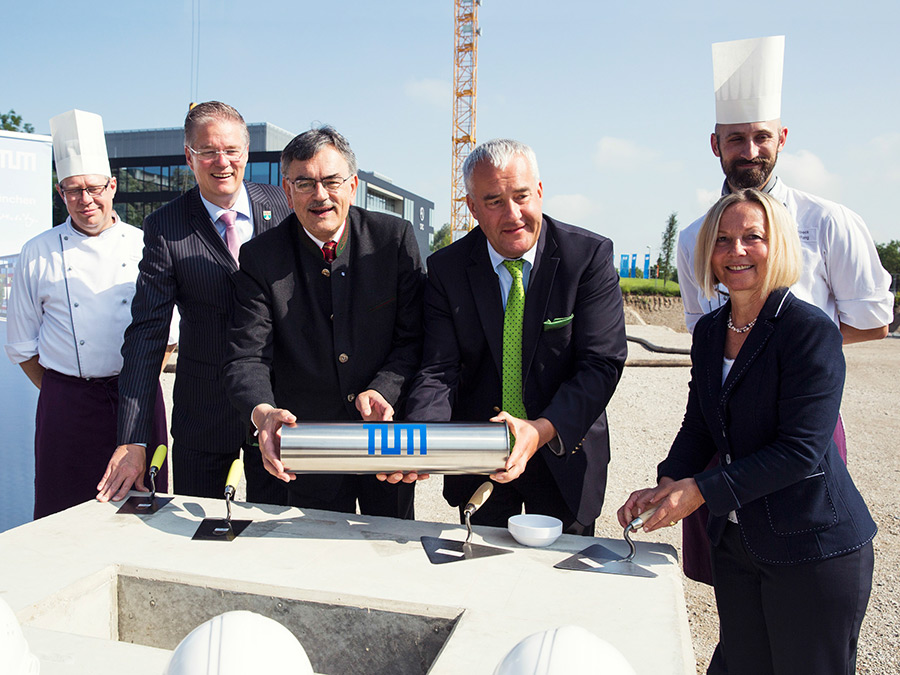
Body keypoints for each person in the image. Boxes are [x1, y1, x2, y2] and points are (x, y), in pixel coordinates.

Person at [619, 189, 876, 675]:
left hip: (812, 548)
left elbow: (800, 450)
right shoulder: (712, 330)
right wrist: (670, 481)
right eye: (722, 240)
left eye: (751, 237)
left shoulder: (808, 330)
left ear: (775, 246)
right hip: (739, 545)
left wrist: (700, 491)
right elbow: (700, 423)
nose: (736, 251)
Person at [677, 35, 892, 587]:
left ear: (782, 138)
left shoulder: (829, 221)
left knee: (801, 560)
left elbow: (874, 322)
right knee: (734, 579)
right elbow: (707, 334)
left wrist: (791, 356)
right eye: (736, 139)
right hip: (723, 428)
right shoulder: (695, 237)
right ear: (715, 144)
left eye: (761, 137)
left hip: (801, 423)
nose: (750, 150)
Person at [402, 139, 627, 534]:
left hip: (562, 452)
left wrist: (539, 430)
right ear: (471, 207)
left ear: (539, 191)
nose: (513, 215)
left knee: (559, 584)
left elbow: (600, 364)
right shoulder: (447, 270)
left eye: (522, 196)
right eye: (493, 201)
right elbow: (439, 369)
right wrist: (422, 438)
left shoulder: (587, 258)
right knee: (482, 578)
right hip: (479, 459)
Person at [221, 126, 425, 517]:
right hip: (306, 445)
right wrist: (263, 411)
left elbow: (414, 338)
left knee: (390, 557)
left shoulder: (392, 240)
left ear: (353, 185)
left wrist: (385, 388)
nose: (320, 196)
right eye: (305, 183)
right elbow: (247, 356)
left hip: (382, 437)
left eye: (332, 181)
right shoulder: (261, 257)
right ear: (286, 190)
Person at [96, 102, 292, 503]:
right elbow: (147, 334)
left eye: (232, 150)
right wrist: (133, 438)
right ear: (189, 156)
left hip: (280, 408)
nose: (222, 162)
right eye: (208, 151)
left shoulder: (285, 205)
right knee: (198, 540)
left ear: (247, 153)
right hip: (204, 413)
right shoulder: (166, 227)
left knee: (282, 538)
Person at [5, 109, 173, 518]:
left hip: (136, 399)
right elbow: (23, 346)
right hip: (68, 405)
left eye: (94, 188)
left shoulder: (146, 244)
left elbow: (168, 340)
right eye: (73, 190)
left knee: (142, 511)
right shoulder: (37, 252)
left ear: (112, 186)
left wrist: (135, 388)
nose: (86, 200)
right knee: (61, 512)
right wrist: (67, 394)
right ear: (60, 193)